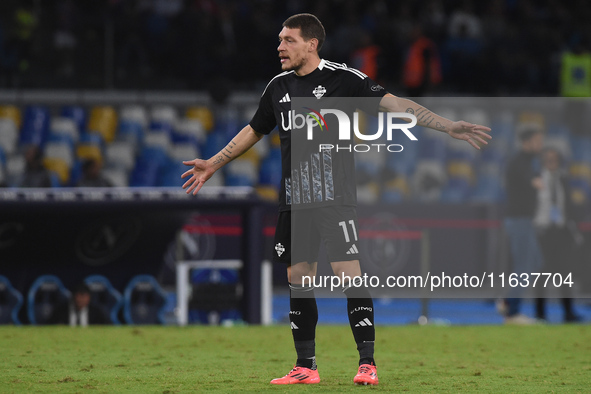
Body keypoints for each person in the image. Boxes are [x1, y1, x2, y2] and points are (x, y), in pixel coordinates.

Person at [181, 13, 491, 386]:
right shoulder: (277, 88)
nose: (280, 46)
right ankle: (305, 366)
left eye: (289, 40)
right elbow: (254, 129)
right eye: (280, 40)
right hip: (295, 201)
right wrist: (212, 164)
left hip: (334, 197)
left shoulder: (344, 80)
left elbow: (395, 105)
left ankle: (367, 364)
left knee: (349, 277)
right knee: (298, 278)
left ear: (311, 44)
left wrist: (447, 125)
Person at [534, 148, 583, 322]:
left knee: (565, 273)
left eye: (554, 160)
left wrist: (575, 228)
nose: (551, 163)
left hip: (561, 232)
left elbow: (568, 204)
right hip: (543, 231)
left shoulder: (563, 179)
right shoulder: (536, 179)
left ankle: (568, 312)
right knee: (541, 273)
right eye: (548, 159)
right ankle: (540, 314)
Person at [500, 128, 544, 324]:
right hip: (519, 220)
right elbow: (534, 183)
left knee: (534, 262)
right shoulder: (519, 161)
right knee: (524, 266)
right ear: (528, 141)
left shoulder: (527, 161)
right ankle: (512, 311)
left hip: (524, 219)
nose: (540, 145)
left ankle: (508, 301)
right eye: (537, 140)